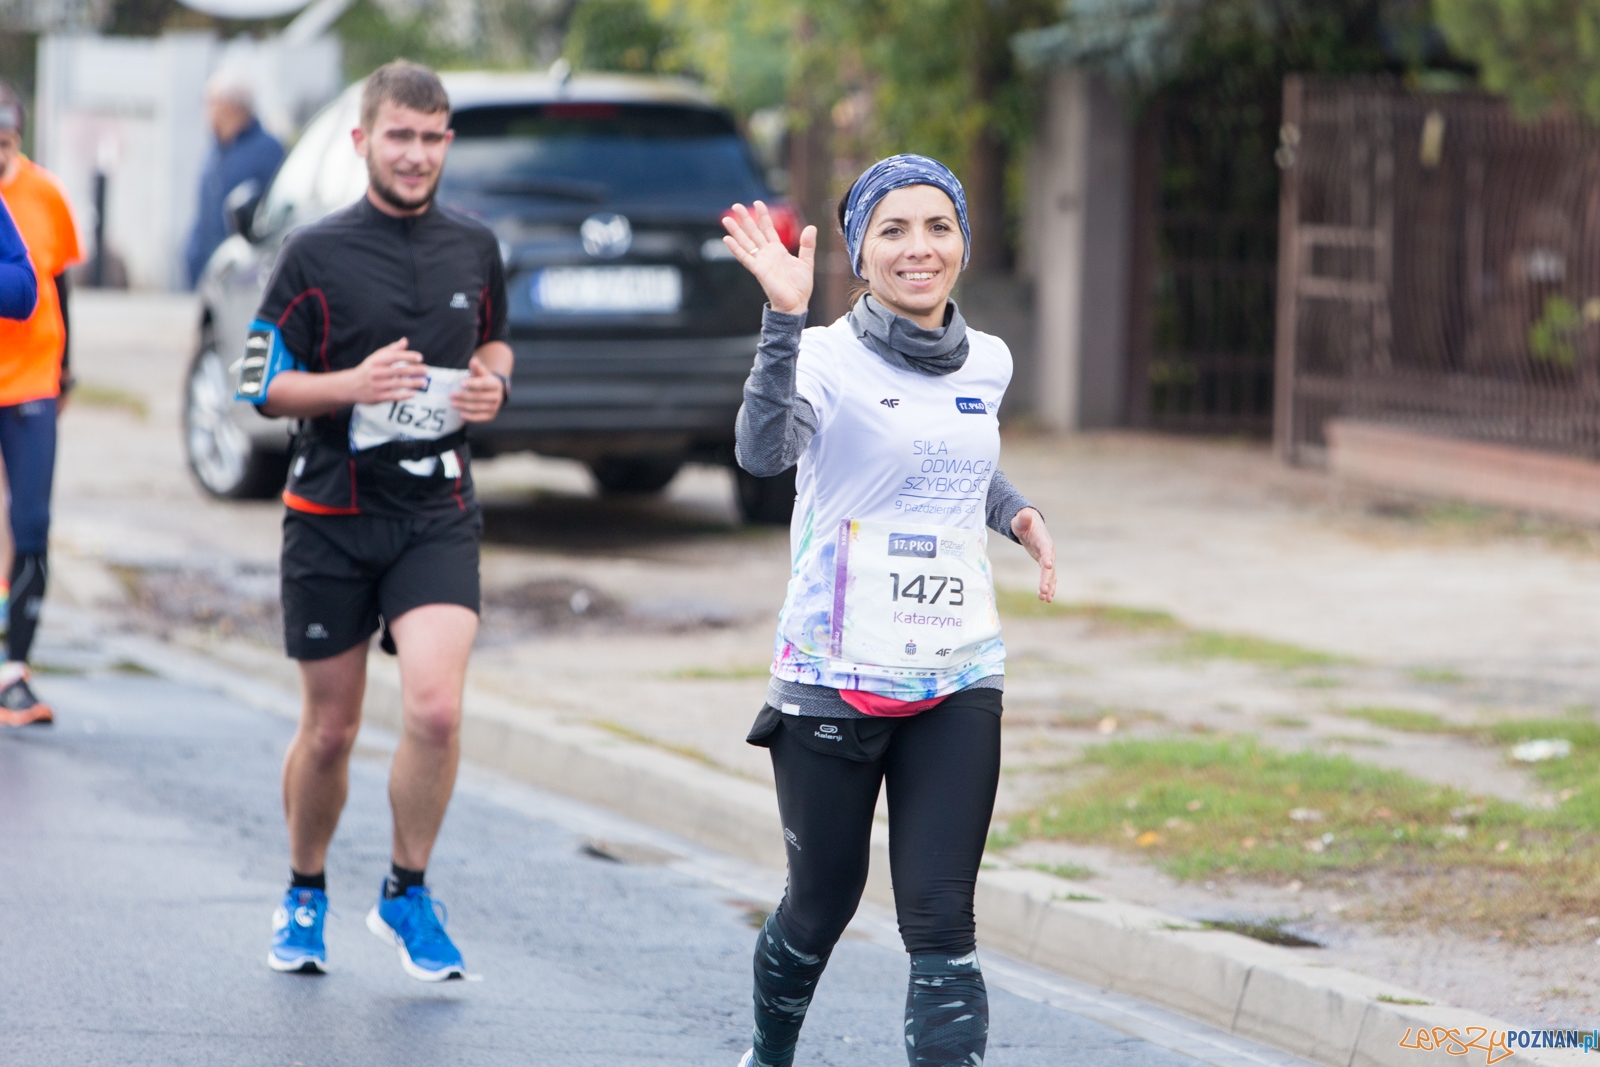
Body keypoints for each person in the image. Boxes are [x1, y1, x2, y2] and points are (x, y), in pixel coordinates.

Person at [721, 155, 1057, 1067]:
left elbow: (950, 454)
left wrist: (1012, 509)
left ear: (963, 242)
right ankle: (769, 1052)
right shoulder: (826, 355)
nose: (920, 248)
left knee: (944, 921)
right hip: (836, 675)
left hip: (959, 669)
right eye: (893, 230)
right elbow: (763, 452)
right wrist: (783, 319)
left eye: (938, 226)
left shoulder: (989, 359)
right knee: (820, 904)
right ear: (860, 252)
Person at [245, 60, 512, 980]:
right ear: (364, 141)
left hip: (436, 509)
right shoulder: (311, 254)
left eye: (434, 137)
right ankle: (304, 887)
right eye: (401, 135)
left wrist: (494, 383)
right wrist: (350, 387)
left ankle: (405, 892)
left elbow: (495, 338)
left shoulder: (474, 245)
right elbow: (255, 382)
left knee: (435, 708)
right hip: (329, 513)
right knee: (332, 727)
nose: (418, 154)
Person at [0, 82, 82, 728]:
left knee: (30, 521)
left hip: (31, 377)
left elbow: (50, 283)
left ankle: (15, 669)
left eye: (2, 144)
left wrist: (68, 370)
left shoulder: (42, 193)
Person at [184, 68, 284, 288]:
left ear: (232, 106)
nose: (207, 112)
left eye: (212, 104)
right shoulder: (216, 149)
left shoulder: (268, 150)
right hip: (207, 266)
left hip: (242, 270)